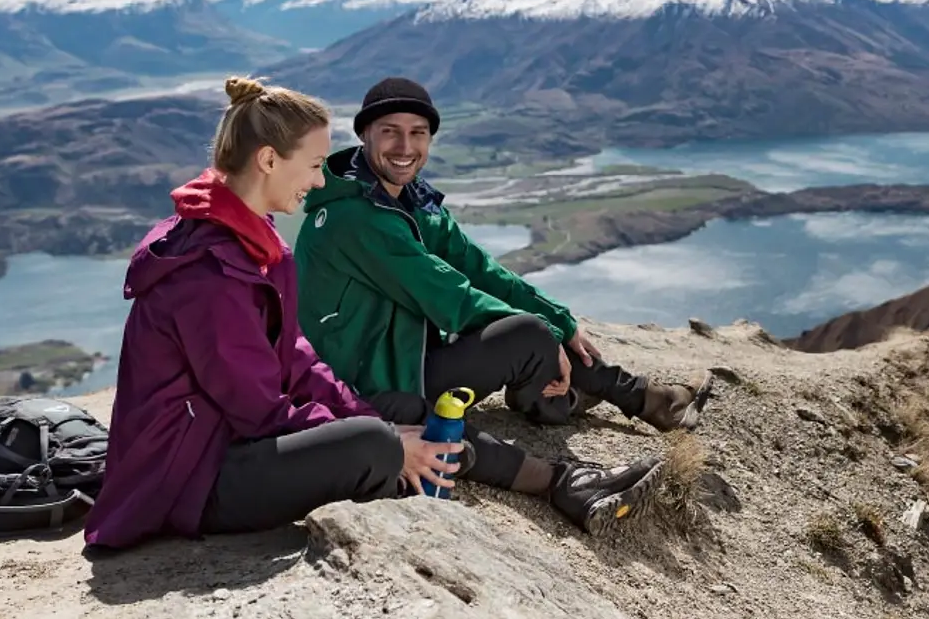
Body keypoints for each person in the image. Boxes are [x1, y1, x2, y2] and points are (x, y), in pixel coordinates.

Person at [83, 77, 667, 551]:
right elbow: (260, 409)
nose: (319, 180)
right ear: (267, 160)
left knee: (404, 411)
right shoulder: (206, 275)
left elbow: (295, 358)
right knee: (374, 443)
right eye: (313, 164)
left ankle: (563, 483)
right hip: (190, 479)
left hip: (229, 445)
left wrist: (368, 409)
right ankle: (524, 470)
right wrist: (383, 434)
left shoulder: (258, 244)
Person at [294, 76, 711, 433]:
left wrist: (562, 321)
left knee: (539, 329)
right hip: (379, 384)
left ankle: (643, 399)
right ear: (365, 134)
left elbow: (479, 269)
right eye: (390, 131)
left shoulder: (410, 200)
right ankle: (572, 399)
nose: (405, 145)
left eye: (418, 132)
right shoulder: (356, 219)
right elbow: (451, 297)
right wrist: (548, 335)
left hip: (409, 354)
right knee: (529, 335)